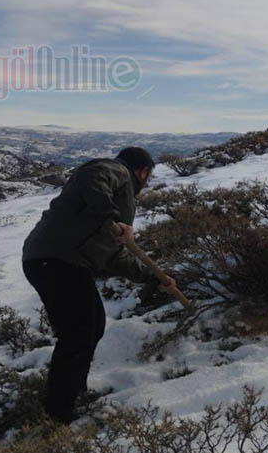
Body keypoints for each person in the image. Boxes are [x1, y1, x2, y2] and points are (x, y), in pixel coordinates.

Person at [22, 147, 179, 424]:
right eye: (148, 175)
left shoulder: (121, 198)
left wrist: (155, 278)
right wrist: (112, 216)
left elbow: (116, 257)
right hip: (57, 260)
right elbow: (92, 179)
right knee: (78, 333)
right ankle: (57, 416)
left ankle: (71, 393)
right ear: (142, 171)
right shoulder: (116, 171)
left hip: (56, 261)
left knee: (92, 325)